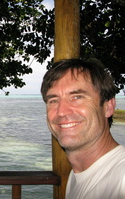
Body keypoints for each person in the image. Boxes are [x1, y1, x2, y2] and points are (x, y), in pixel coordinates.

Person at [40, 59, 125, 199]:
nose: (61, 111)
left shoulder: (121, 178)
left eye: (77, 97)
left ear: (108, 107)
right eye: (53, 100)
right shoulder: (77, 175)